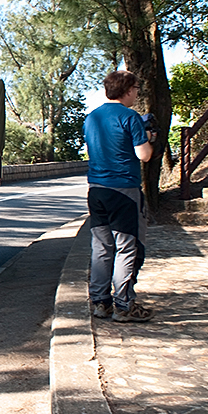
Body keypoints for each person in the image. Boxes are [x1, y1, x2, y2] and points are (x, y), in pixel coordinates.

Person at [84, 70, 156, 323]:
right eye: (136, 88)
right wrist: (149, 138)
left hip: (97, 189)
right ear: (126, 90)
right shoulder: (130, 116)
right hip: (124, 189)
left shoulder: (92, 117)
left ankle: (100, 303)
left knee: (101, 247)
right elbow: (143, 155)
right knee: (127, 248)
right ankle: (124, 305)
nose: (137, 93)